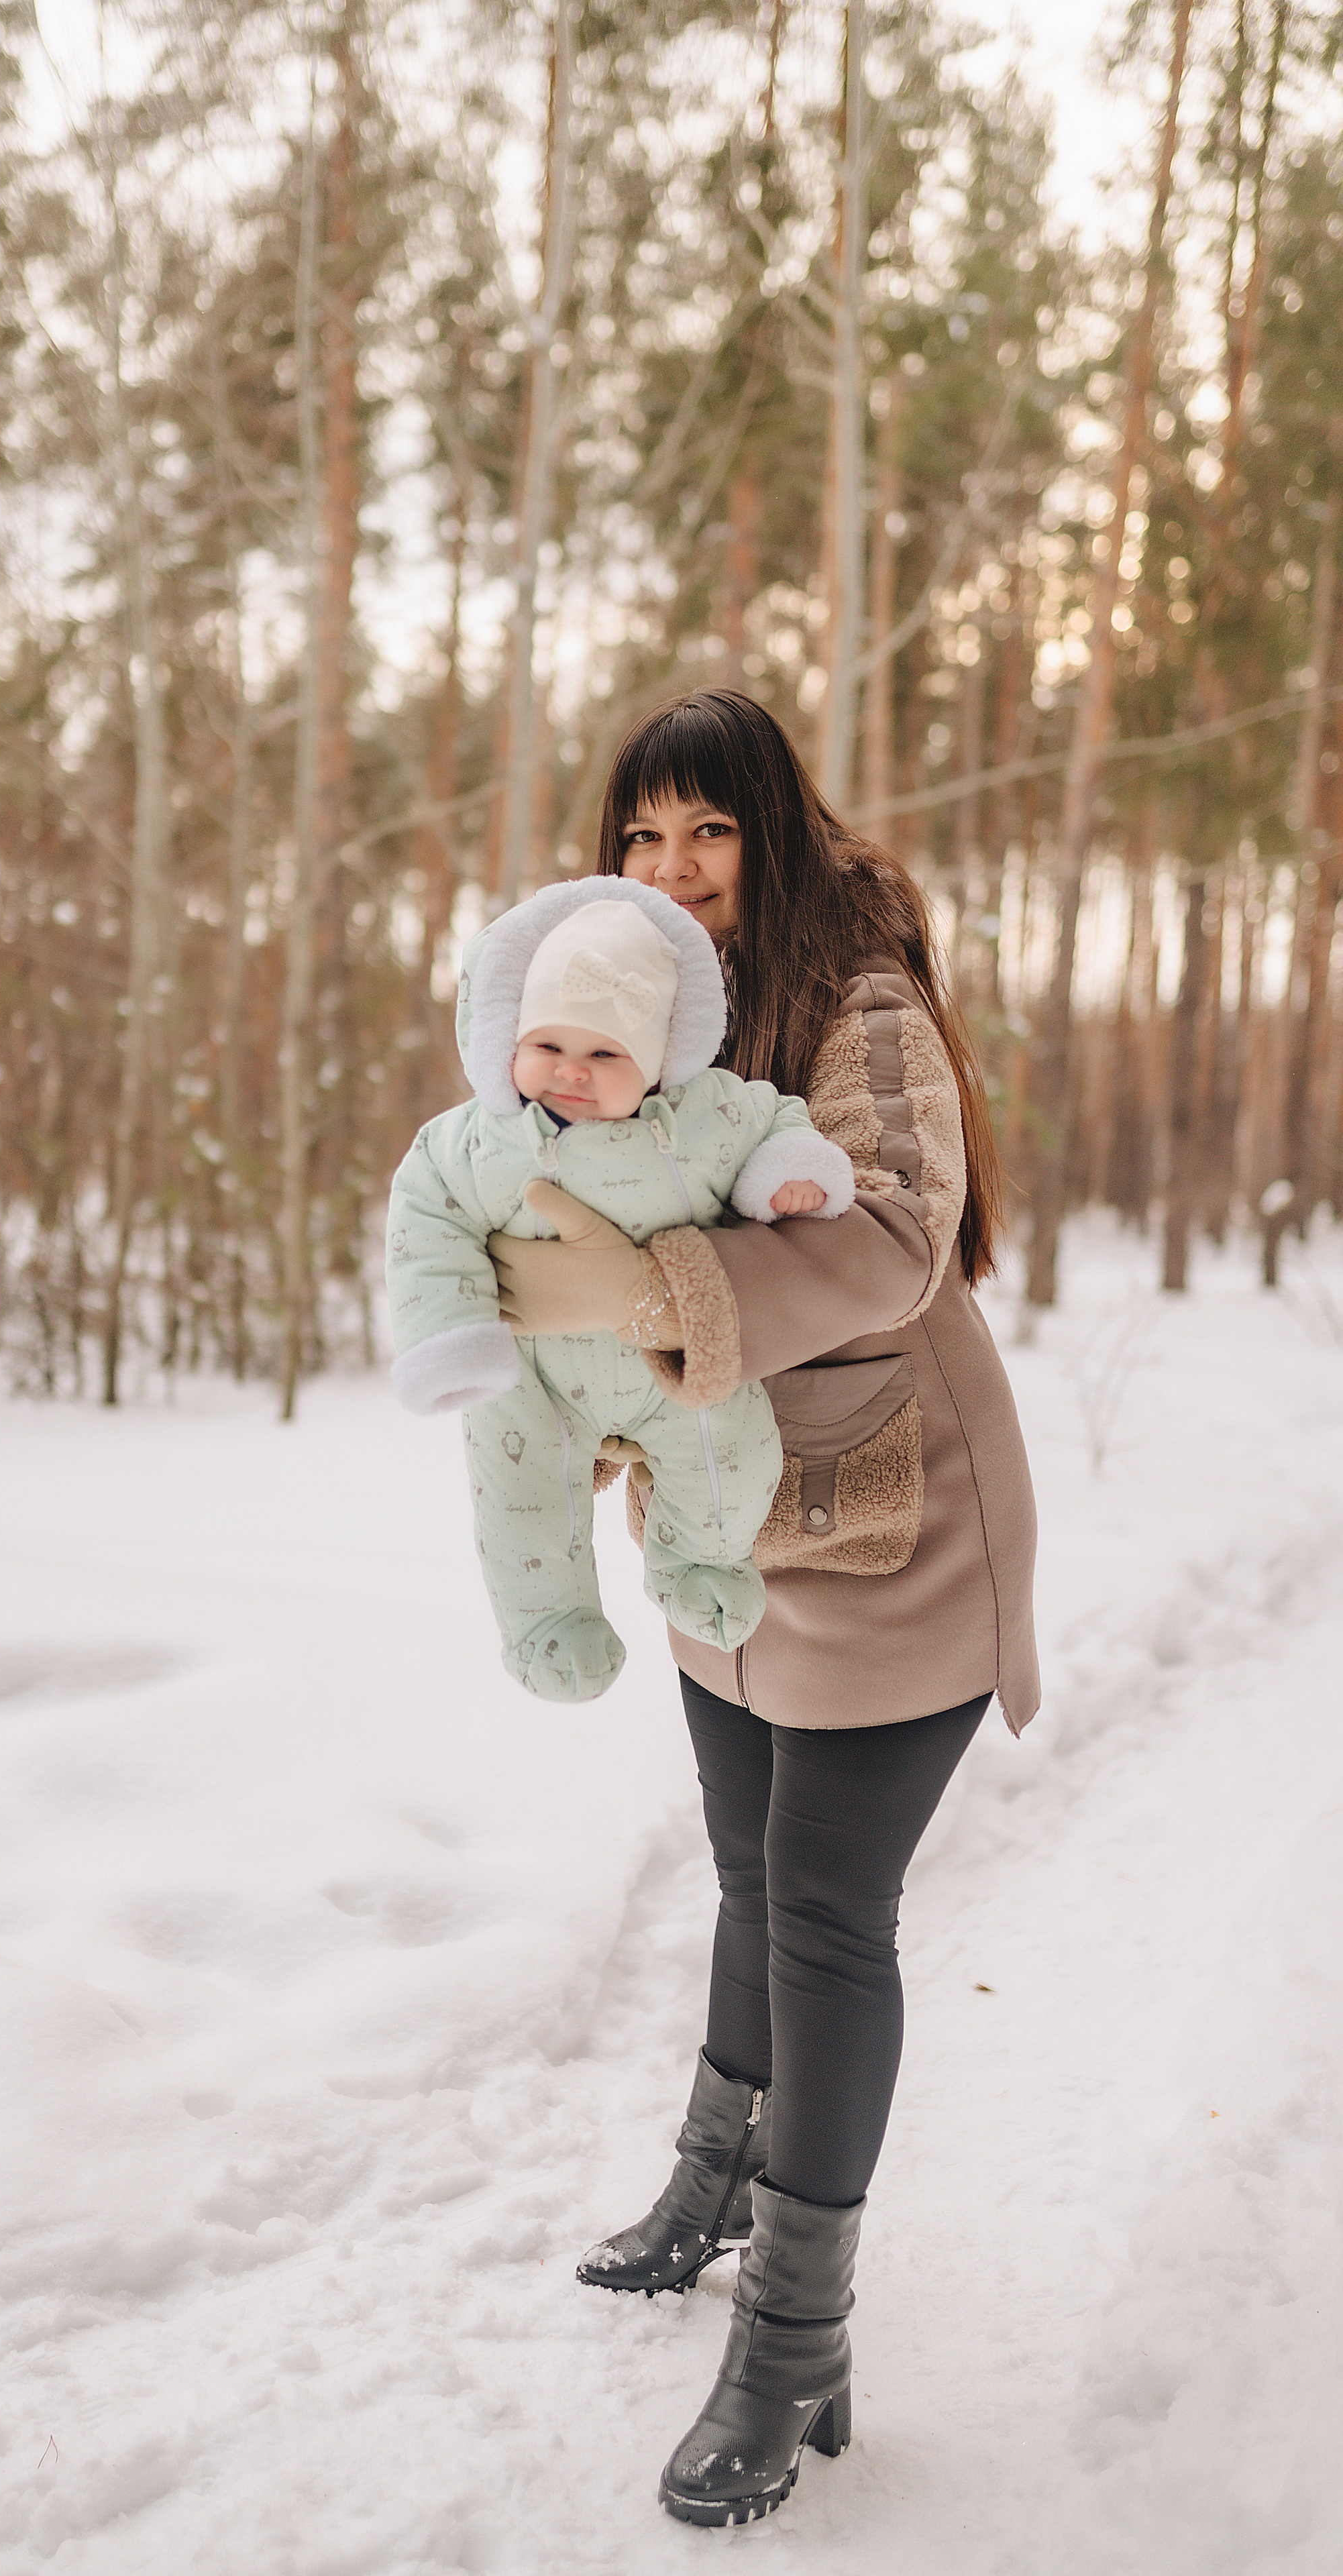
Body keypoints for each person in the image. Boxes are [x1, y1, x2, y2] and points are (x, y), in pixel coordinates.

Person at [487, 689, 1039, 2529]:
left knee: (823, 1904)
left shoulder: (862, 1000)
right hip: (737, 1523)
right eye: (641, 839)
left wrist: (655, 1292)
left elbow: (891, 1231)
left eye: (707, 834)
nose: (673, 873)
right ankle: (717, 2186)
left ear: (773, 834)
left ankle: (799, 2341)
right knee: (747, 1864)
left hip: (898, 1514)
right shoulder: (642, 1014)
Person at [384, 879, 854, 1699]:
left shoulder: (700, 1114)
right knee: (520, 1504)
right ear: (508, 1039)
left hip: (670, 1361)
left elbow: (775, 1118)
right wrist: (450, 1330)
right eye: (548, 1045)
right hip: (531, 1380)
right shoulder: (473, 1139)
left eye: (605, 1054)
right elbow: (425, 1215)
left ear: (658, 1060)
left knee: (731, 1456)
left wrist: (788, 1174)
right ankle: (547, 1624)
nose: (571, 1070)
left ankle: (699, 1560)